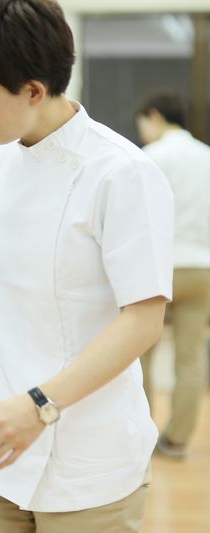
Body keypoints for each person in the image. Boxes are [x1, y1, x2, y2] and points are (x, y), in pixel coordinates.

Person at [0, 1, 173, 531]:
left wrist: (40, 405)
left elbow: (143, 319)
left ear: (34, 90)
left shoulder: (122, 174)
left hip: (88, 457)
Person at [135, 91, 210, 459]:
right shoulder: (206, 157)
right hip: (201, 268)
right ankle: (177, 440)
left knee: (139, 353)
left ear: (154, 116)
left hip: (159, 268)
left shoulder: (151, 158)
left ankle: (143, 434)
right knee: (191, 357)